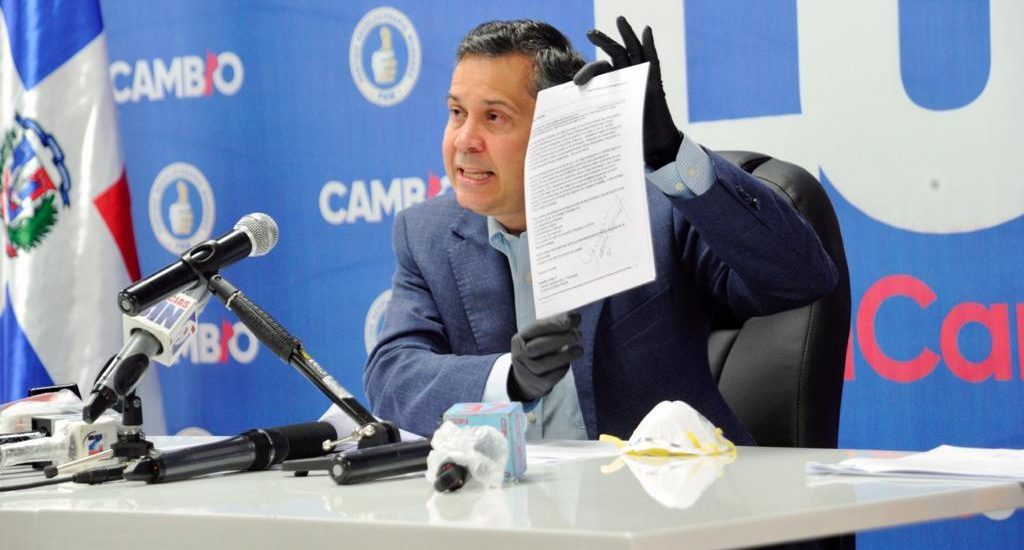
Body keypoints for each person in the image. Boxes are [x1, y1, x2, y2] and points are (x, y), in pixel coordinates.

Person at [363, 18, 837, 444]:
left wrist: (671, 153)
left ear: (558, 126)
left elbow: (800, 277)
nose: (465, 140)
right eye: (456, 113)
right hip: (509, 503)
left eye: (494, 117)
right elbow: (392, 375)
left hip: (667, 496)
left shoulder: (660, 210)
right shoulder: (426, 233)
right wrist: (509, 379)